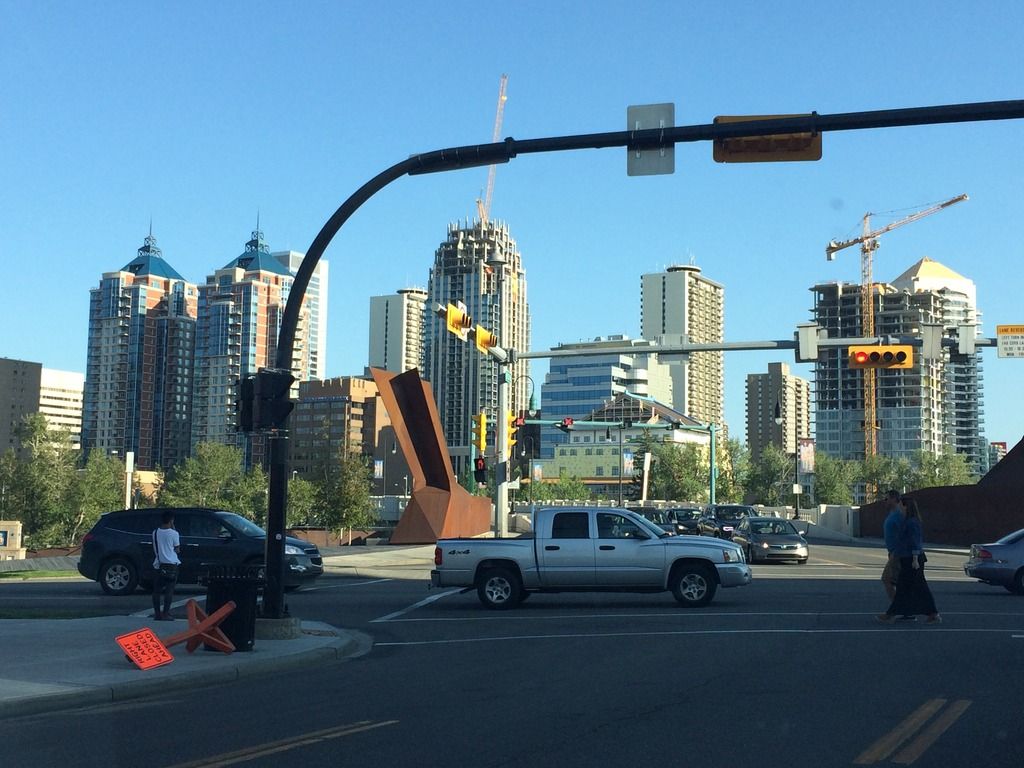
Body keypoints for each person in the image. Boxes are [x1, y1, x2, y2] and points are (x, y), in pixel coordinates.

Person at [878, 497, 941, 624]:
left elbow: (915, 541)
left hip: (912, 560)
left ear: (906, 506)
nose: (899, 507)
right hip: (906, 558)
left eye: (901, 505)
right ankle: (930, 614)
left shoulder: (912, 522)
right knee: (914, 588)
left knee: (908, 587)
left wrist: (915, 559)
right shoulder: (907, 521)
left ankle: (892, 614)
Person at [151, 510, 181, 621]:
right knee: (169, 590)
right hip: (172, 564)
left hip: (159, 564)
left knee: (156, 591)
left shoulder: (155, 533)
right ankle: (166, 613)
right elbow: (177, 549)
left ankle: (157, 613)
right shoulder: (174, 534)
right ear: (171, 520)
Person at [880, 490, 904, 601]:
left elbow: (904, 535)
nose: (885, 501)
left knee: (886, 579)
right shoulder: (892, 514)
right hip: (892, 553)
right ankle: (903, 607)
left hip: (897, 553)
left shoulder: (899, 515)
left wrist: (896, 553)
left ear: (894, 499)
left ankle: (897, 606)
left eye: (887, 499)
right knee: (899, 582)